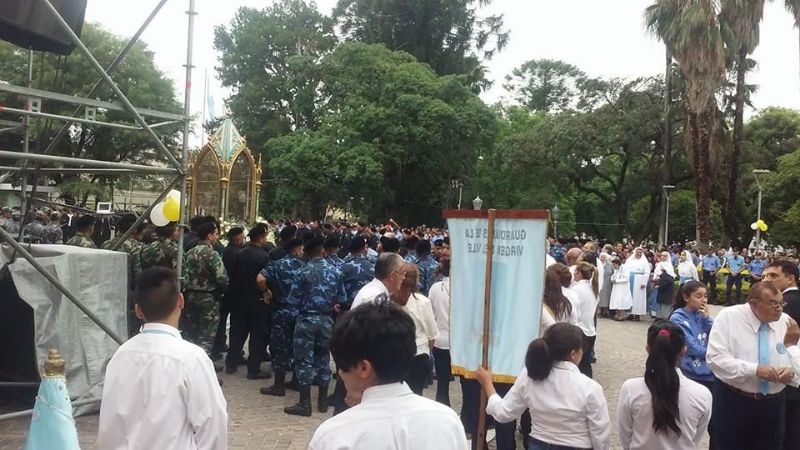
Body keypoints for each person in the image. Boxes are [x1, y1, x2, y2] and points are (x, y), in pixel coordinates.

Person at [97, 267, 227, 450]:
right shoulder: (192, 358)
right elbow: (213, 426)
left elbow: (109, 425)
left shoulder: (120, 356)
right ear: (180, 301)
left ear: (138, 310)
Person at [309, 301, 467, 449]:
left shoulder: (333, 436)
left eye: (342, 368)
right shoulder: (448, 422)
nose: (340, 375)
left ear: (364, 368)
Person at [476, 322, 610, 450]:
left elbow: (503, 413)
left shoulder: (530, 376)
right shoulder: (590, 388)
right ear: (573, 354)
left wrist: (488, 385)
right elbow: (600, 435)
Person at [707, 281, 799, 449]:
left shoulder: (787, 322)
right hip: (735, 400)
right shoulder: (729, 317)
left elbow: (796, 360)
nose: (779, 308)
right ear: (754, 304)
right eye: (773, 303)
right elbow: (716, 359)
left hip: (773, 404)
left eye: (781, 303)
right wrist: (755, 370)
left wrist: (791, 373)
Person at [617, 321, 712, 450]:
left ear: (648, 348)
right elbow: (695, 438)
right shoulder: (702, 394)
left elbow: (625, 436)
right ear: (683, 350)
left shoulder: (630, 389)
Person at [284, 236, 345, 417]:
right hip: (326, 321)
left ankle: (305, 404)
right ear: (323, 251)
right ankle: (323, 402)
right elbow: (342, 298)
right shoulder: (336, 272)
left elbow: (293, 300)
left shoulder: (302, 272)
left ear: (306, 252)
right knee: (323, 359)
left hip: (306, 321)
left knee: (304, 361)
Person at [257, 238, 305, 394]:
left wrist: (266, 291)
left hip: (282, 310)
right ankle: (297, 381)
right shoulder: (305, 266)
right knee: (298, 346)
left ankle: (279, 384)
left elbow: (260, 278)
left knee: (280, 347)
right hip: (299, 312)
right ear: (297, 249)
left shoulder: (277, 264)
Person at [763, 259, 800, 449]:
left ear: (790, 278)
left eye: (773, 275)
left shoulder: (786, 304)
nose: (767, 280)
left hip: (787, 376)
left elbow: (778, 342)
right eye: (765, 275)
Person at [229, 225, 273, 380]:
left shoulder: (240, 254)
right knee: (257, 335)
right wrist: (266, 291)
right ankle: (253, 369)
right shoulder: (263, 256)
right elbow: (265, 278)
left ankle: (231, 363)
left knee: (238, 332)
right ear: (261, 238)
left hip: (240, 298)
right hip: (257, 300)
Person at [181, 222, 228, 367]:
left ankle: (188, 366)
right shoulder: (212, 253)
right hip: (208, 298)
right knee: (206, 336)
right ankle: (202, 369)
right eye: (215, 234)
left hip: (190, 296)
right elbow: (222, 277)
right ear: (209, 235)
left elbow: (184, 275)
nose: (217, 237)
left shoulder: (189, 252)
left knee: (191, 333)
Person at [399, 263, 438, 395]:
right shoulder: (422, 302)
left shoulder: (389, 300)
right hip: (419, 353)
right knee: (416, 394)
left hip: (395, 355)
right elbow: (432, 333)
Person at [669, 281, 714, 390]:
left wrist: (706, 319)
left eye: (705, 296)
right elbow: (692, 347)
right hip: (691, 372)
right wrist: (714, 355)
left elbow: (716, 334)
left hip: (710, 371)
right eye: (698, 296)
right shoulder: (678, 318)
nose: (703, 300)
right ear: (686, 297)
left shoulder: (703, 315)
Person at [214, 226, 244, 360]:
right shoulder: (239, 253)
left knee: (221, 321)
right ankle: (234, 351)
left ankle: (219, 344)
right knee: (236, 324)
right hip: (235, 292)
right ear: (237, 238)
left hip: (225, 291)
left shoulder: (225, 251)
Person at [429, 258, 452, 406]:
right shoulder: (466, 288)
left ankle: (443, 406)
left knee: (442, 383)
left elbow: (431, 312)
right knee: (466, 384)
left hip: (440, 339)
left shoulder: (435, 288)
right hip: (459, 342)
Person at [573, 262, 599, 378]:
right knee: (586, 364)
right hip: (591, 330)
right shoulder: (593, 289)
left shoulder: (576, 289)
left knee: (578, 366)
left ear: (579, 273)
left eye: (575, 272)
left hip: (580, 330)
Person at [627, 247, 651, 321]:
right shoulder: (630, 260)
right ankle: (630, 313)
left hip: (639, 280)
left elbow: (647, 272)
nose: (639, 254)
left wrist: (644, 282)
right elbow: (626, 269)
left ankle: (637, 314)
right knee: (630, 296)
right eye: (637, 252)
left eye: (640, 252)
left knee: (638, 298)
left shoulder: (644, 261)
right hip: (630, 279)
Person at [652, 251, 677, 320]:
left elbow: (669, 277)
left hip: (664, 286)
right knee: (657, 301)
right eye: (662, 255)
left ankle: (663, 318)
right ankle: (656, 314)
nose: (663, 257)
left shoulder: (669, 265)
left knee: (664, 304)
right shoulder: (659, 264)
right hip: (658, 283)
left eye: (665, 256)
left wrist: (660, 281)